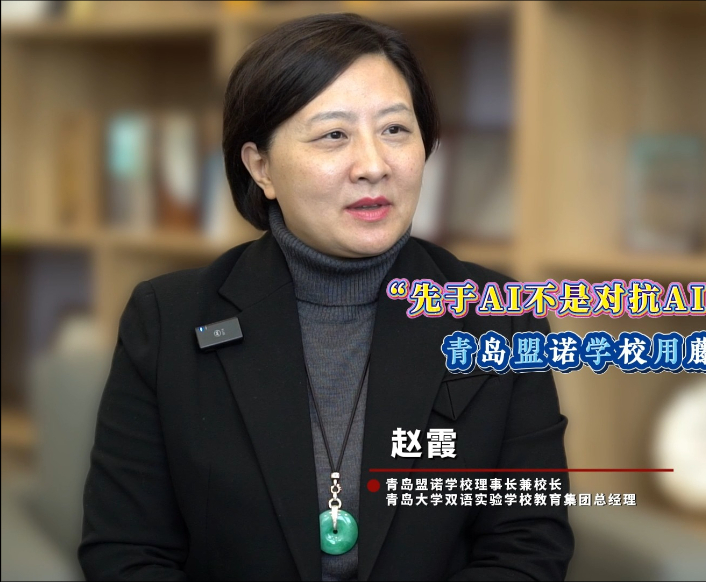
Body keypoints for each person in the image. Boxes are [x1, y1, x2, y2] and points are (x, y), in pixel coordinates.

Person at [79, 13, 573, 581]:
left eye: (395, 129)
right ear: (260, 167)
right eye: (334, 135)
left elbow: (528, 546)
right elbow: (125, 551)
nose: (373, 166)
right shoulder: (168, 320)